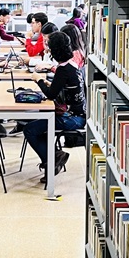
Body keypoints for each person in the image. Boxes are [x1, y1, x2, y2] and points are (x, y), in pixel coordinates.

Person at [23, 31, 86, 183]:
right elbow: (63, 89)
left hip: (73, 119)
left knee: (29, 129)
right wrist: (50, 84)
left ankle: (52, 161)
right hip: (77, 114)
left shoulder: (62, 70)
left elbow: (51, 95)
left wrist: (38, 80)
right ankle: (55, 156)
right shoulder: (70, 65)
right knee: (40, 127)